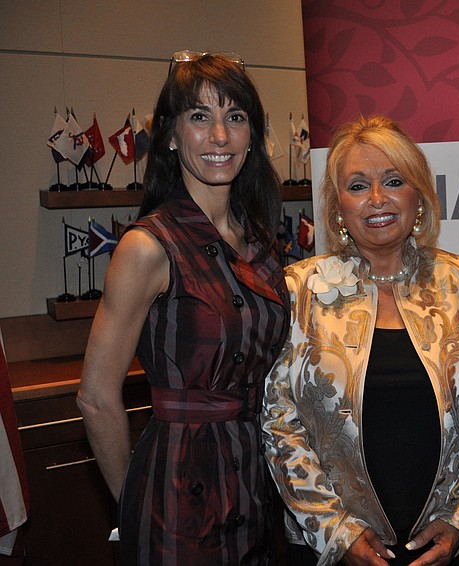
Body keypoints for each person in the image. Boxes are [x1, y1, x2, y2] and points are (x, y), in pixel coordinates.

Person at [77, 52, 289, 565]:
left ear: (252, 135)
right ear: (170, 135)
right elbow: (97, 397)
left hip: (259, 481)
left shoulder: (260, 241)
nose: (220, 136)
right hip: (175, 493)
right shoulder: (148, 246)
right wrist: (136, 503)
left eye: (235, 117)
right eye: (200, 117)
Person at [262, 115, 459, 566]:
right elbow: (279, 423)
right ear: (337, 207)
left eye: (393, 180)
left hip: (445, 545)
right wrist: (336, 532)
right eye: (357, 186)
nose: (377, 200)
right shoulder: (298, 289)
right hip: (334, 549)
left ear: (420, 196)